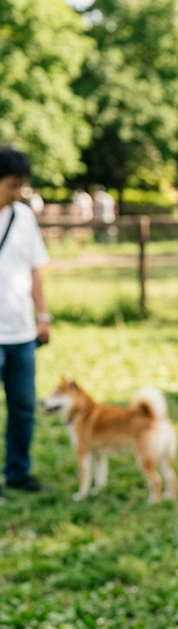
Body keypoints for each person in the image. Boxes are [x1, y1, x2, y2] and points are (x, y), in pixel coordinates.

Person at [0, 147, 50, 499]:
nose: (18, 192)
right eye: (12, 184)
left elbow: (35, 269)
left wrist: (42, 315)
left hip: (21, 331)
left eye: (22, 185)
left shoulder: (25, 218)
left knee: (23, 408)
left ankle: (18, 471)